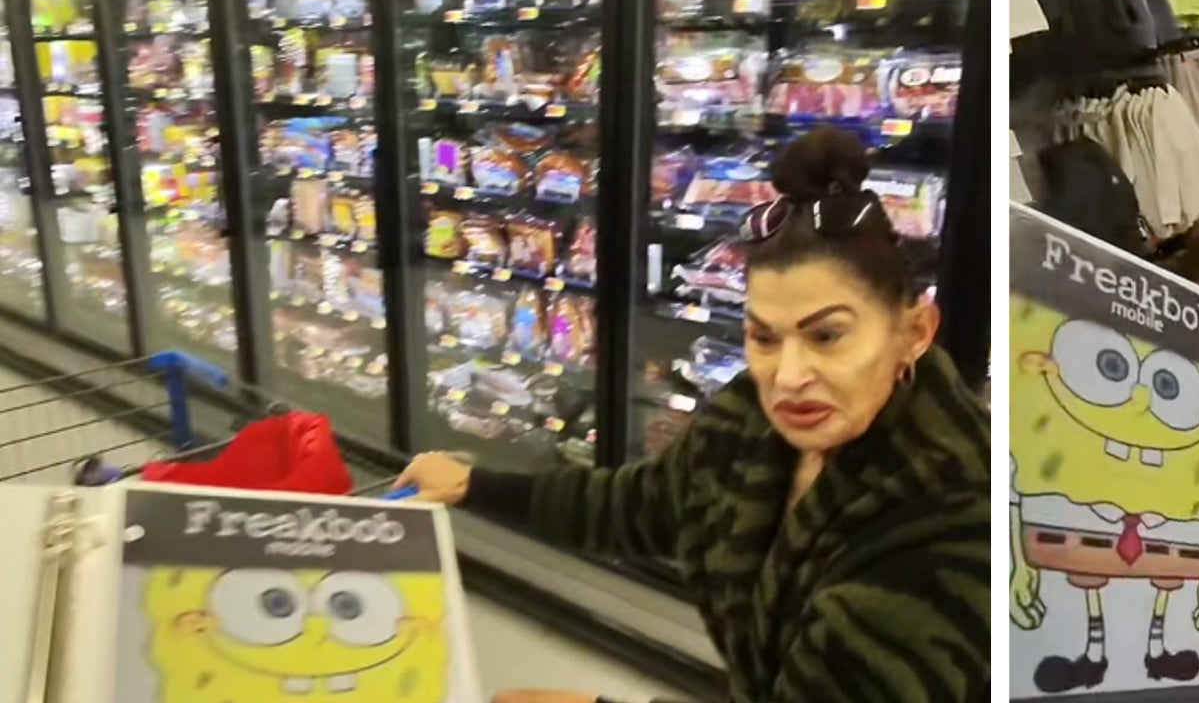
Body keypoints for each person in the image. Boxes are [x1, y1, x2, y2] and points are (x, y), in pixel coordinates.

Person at [400, 128, 990, 703]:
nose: (788, 376)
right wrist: (473, 484)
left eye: (827, 336)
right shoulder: (749, 421)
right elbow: (645, 504)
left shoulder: (948, 521)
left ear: (915, 332)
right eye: (764, 337)